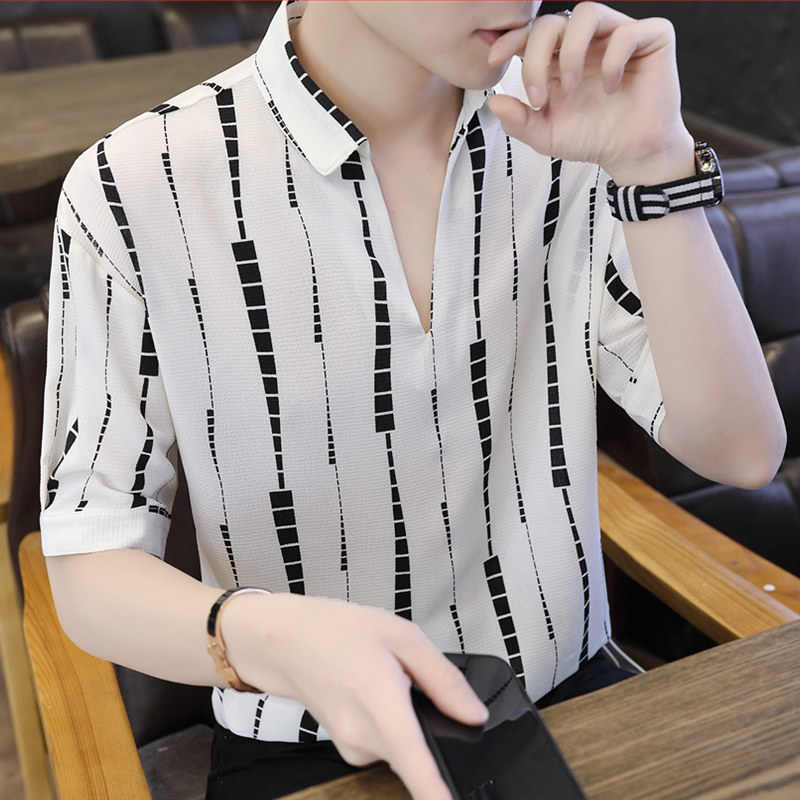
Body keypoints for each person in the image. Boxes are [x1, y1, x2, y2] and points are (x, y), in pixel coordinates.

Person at [40, 2, 785, 799]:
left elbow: (741, 452)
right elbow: (92, 562)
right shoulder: (137, 182)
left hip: (573, 698)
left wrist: (655, 164)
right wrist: (269, 638)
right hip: (305, 742)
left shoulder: (571, 127)